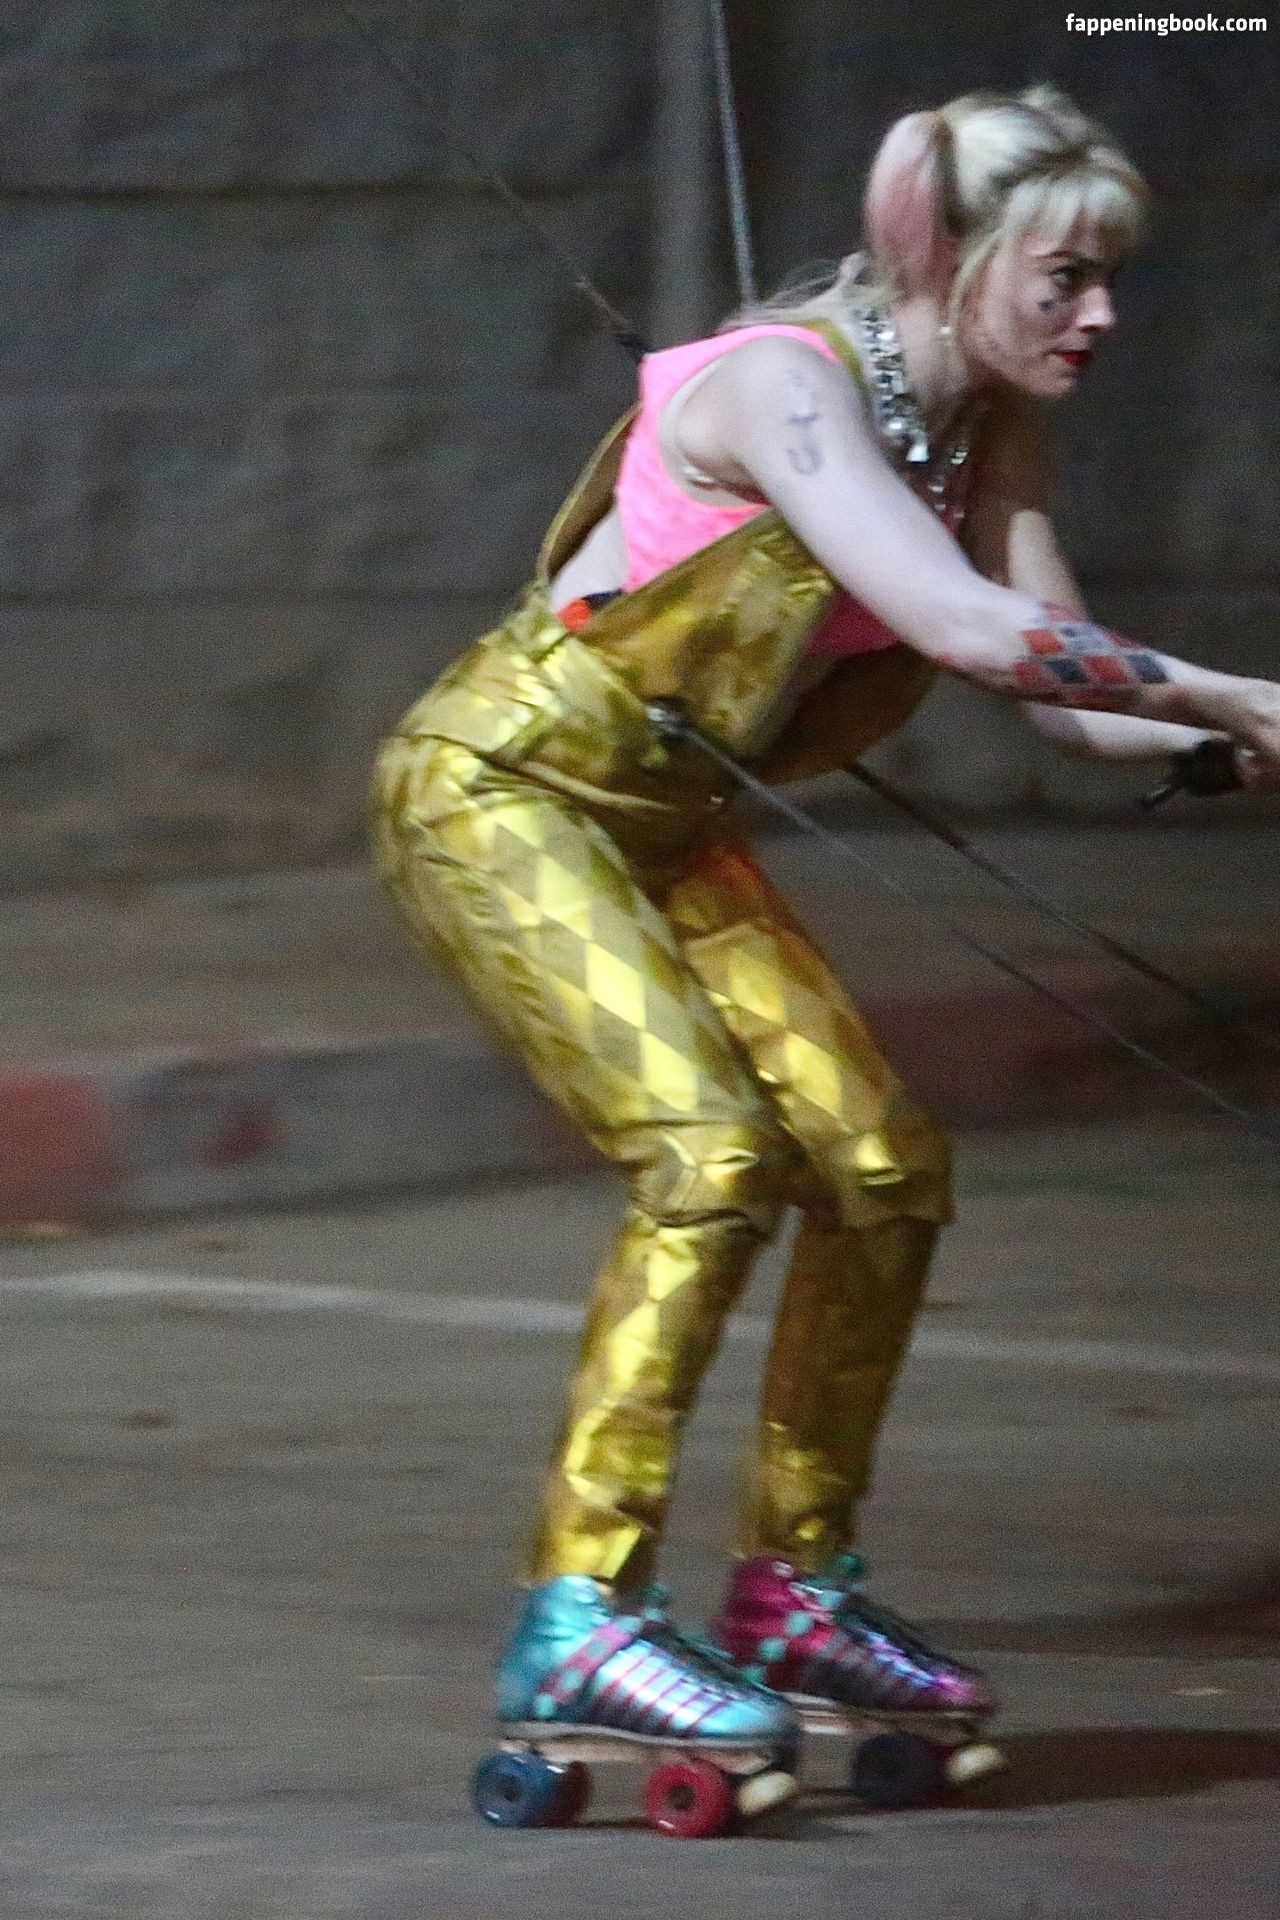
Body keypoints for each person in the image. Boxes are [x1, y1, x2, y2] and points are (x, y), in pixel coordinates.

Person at [369, 84, 1280, 1765]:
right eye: (1064, 277)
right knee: (707, 1155)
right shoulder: (785, 388)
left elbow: (1063, 695)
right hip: (503, 790)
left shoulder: (985, 426)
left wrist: (1219, 741)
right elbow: (964, 626)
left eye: (1110, 280)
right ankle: (577, 1616)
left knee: (882, 1165)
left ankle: (794, 1589)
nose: (1100, 316)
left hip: (665, 822)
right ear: (947, 255)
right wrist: (1237, 690)